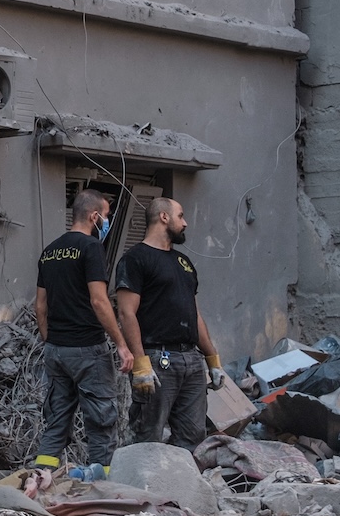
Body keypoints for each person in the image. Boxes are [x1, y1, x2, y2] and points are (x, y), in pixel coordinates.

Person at [30, 190, 133, 477]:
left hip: (56, 350)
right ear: (94, 216)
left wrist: (51, 341)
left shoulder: (49, 252)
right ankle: (102, 487)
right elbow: (99, 300)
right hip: (88, 349)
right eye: (107, 217)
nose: (107, 222)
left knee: (57, 421)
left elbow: (40, 306)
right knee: (101, 422)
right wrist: (122, 345)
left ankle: (41, 480)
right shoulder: (91, 248)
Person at [113, 198, 222, 452]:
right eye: (180, 216)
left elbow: (194, 313)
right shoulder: (135, 259)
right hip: (157, 360)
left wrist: (212, 358)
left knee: (193, 436)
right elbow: (127, 313)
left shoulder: (183, 263)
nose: (185, 223)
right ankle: (144, 489)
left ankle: (180, 489)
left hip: (191, 361)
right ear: (164, 217)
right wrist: (140, 364)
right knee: (148, 436)